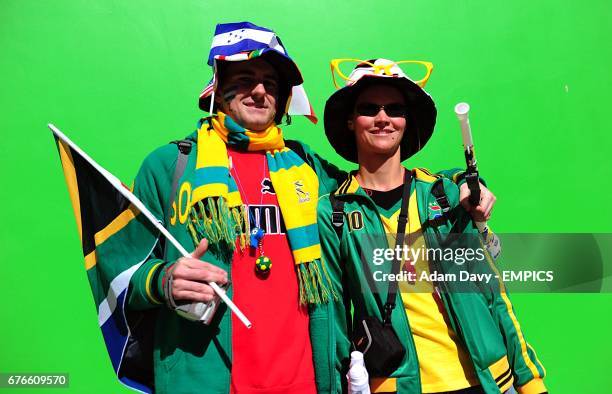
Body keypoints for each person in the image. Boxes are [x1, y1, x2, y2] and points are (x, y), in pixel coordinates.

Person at [121, 24, 495, 393]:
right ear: (218, 85)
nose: (259, 90)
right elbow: (124, 272)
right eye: (244, 77)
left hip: (307, 381)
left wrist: (458, 182)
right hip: (207, 378)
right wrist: (163, 281)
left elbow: (379, 184)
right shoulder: (170, 166)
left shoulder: (308, 167)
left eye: (271, 82)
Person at [314, 59, 547, 394]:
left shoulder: (448, 194)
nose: (383, 118)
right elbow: (332, 320)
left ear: (407, 121)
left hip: (488, 382)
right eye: (369, 108)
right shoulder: (334, 211)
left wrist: (530, 381)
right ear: (351, 120)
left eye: (395, 109)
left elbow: (493, 293)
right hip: (397, 386)